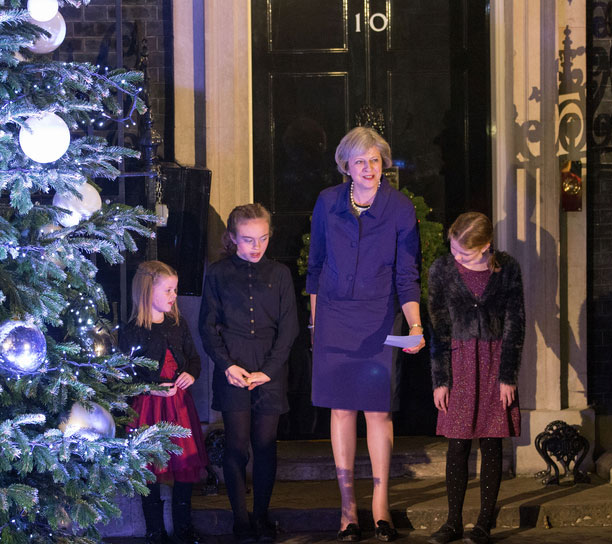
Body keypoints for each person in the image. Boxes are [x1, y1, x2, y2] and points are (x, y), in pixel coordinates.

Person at [306, 126, 425, 543]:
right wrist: (315, 326)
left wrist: (414, 324)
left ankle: (379, 507)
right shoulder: (327, 202)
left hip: (379, 320)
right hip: (334, 319)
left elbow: (408, 274)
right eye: (360, 161)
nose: (369, 168)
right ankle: (347, 510)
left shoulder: (399, 208)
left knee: (378, 412)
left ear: (383, 163)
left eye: (375, 160)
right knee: (341, 411)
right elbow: (315, 267)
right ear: (346, 167)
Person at [199, 203, 299, 544]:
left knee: (266, 445)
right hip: (234, 368)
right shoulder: (218, 273)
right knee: (237, 446)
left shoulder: (281, 274)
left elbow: (289, 329)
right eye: (247, 239)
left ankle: (261, 516)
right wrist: (227, 366)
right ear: (232, 238)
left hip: (270, 370)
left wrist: (268, 371)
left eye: (262, 238)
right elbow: (208, 326)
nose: (256, 247)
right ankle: (240, 520)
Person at [426, 212, 525, 544]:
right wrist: (440, 379)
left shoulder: (507, 269)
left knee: (492, 441)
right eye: (454, 249)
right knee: (457, 444)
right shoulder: (442, 270)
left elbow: (515, 324)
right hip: (459, 362)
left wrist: (508, 375)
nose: (457, 257)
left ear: (485, 246)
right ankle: (452, 521)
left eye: (464, 253)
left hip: (495, 360)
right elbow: (438, 326)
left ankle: (484, 522)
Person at [120, 261, 209, 544]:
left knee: (184, 465)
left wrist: (191, 374)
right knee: (150, 469)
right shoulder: (132, 330)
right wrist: (151, 388)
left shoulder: (177, 324)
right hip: (148, 407)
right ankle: (155, 531)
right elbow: (125, 374)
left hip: (179, 407)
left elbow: (193, 358)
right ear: (148, 291)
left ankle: (183, 528)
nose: (174, 296)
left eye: (175, 290)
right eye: (168, 290)